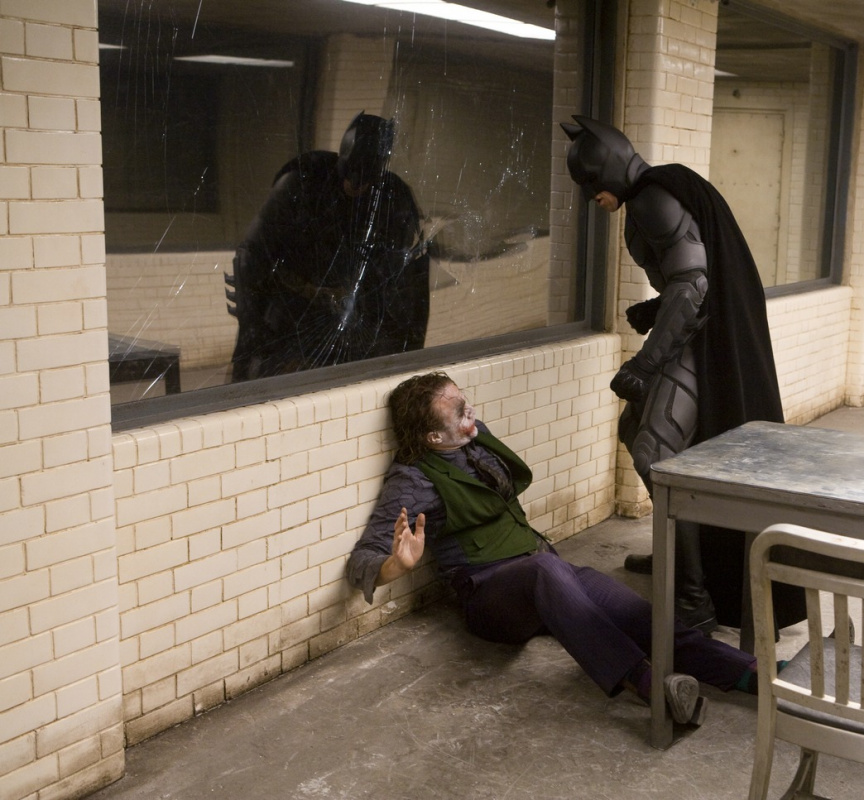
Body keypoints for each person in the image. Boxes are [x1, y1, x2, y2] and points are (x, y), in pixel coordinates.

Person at [346, 372, 762, 727]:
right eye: (457, 410)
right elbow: (362, 559)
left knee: (635, 613)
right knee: (545, 569)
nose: (469, 410)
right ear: (433, 436)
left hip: (545, 569)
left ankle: (748, 673)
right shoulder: (412, 480)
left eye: (464, 399)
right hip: (490, 595)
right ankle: (651, 686)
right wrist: (396, 566)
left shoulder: (473, 438)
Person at [560, 115, 805, 634]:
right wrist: (655, 311)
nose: (591, 197)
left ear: (608, 169)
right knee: (637, 432)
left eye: (591, 183)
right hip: (703, 334)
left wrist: (644, 363)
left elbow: (693, 285)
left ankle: (693, 597)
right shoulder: (661, 189)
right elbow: (694, 275)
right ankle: (678, 553)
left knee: (655, 452)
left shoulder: (653, 198)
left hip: (702, 343)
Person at [226, 112, 430, 381]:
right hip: (290, 319)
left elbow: (413, 278)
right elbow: (251, 254)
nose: (354, 187)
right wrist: (253, 328)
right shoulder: (304, 182)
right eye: (350, 176)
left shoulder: (393, 199)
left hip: (354, 329)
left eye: (363, 180)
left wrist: (409, 354)